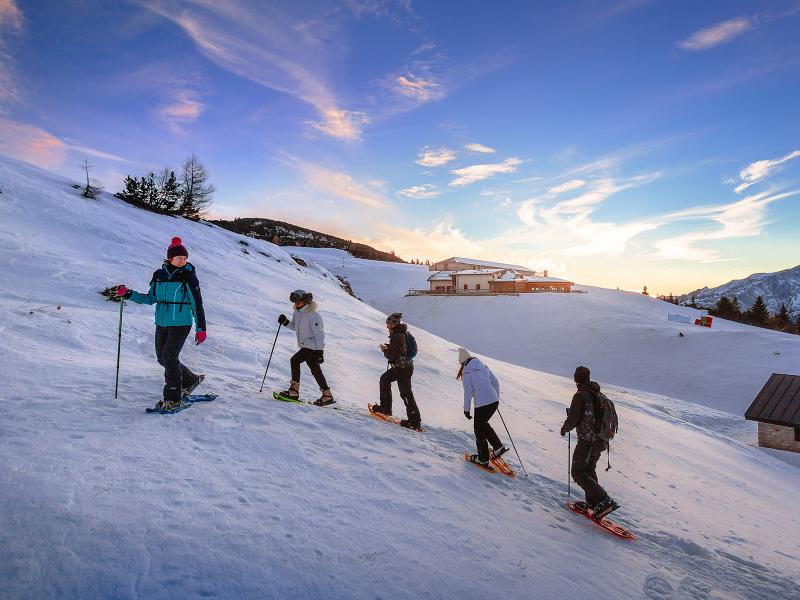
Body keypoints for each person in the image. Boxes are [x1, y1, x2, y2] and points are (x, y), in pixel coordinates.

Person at [116, 237, 206, 411]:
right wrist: (129, 294)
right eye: (179, 257)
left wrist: (201, 328)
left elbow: (197, 303)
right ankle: (190, 380)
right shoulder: (159, 275)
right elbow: (151, 298)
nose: (182, 261)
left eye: (184, 258)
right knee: (162, 358)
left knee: (170, 356)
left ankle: (173, 397)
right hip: (162, 322)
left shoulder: (188, 276)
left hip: (181, 323)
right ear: (170, 258)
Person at [560, 366, 619, 520]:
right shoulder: (597, 394)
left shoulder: (580, 395)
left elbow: (573, 418)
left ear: (576, 378)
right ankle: (594, 504)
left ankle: (605, 500)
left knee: (578, 472)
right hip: (600, 441)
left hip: (587, 441)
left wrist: (564, 428)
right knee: (589, 471)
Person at [277, 290, 334, 406]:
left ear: (305, 301)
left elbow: (319, 334)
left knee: (295, 360)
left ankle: (293, 392)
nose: (297, 303)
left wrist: (320, 352)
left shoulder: (314, 315)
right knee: (315, 370)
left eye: (299, 301)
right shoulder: (297, 313)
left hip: (312, 346)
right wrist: (285, 322)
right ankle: (327, 395)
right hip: (307, 346)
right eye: (295, 301)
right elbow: (295, 327)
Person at [369, 312, 421, 430]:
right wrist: (389, 348)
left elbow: (391, 356)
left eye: (388, 324)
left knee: (406, 394)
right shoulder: (400, 333)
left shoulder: (397, 336)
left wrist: (384, 350)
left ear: (393, 324)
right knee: (385, 379)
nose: (387, 326)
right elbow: (399, 351)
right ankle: (386, 408)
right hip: (401, 367)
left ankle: (414, 421)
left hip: (403, 369)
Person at [458, 348, 508, 468]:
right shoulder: (483, 366)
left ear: (462, 362)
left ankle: (483, 458)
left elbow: (468, 393)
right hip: (493, 401)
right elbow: (495, 382)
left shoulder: (467, 373)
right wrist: (495, 397)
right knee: (483, 424)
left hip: (482, 404)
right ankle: (498, 447)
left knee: (479, 429)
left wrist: (466, 409)